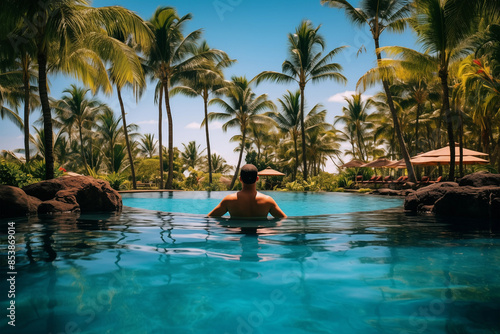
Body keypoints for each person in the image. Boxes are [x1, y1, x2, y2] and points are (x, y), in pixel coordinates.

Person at [207, 164, 287, 219]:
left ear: (240, 179)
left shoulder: (229, 200)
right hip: (259, 235)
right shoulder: (267, 200)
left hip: (236, 235)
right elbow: (284, 219)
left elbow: (209, 218)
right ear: (257, 179)